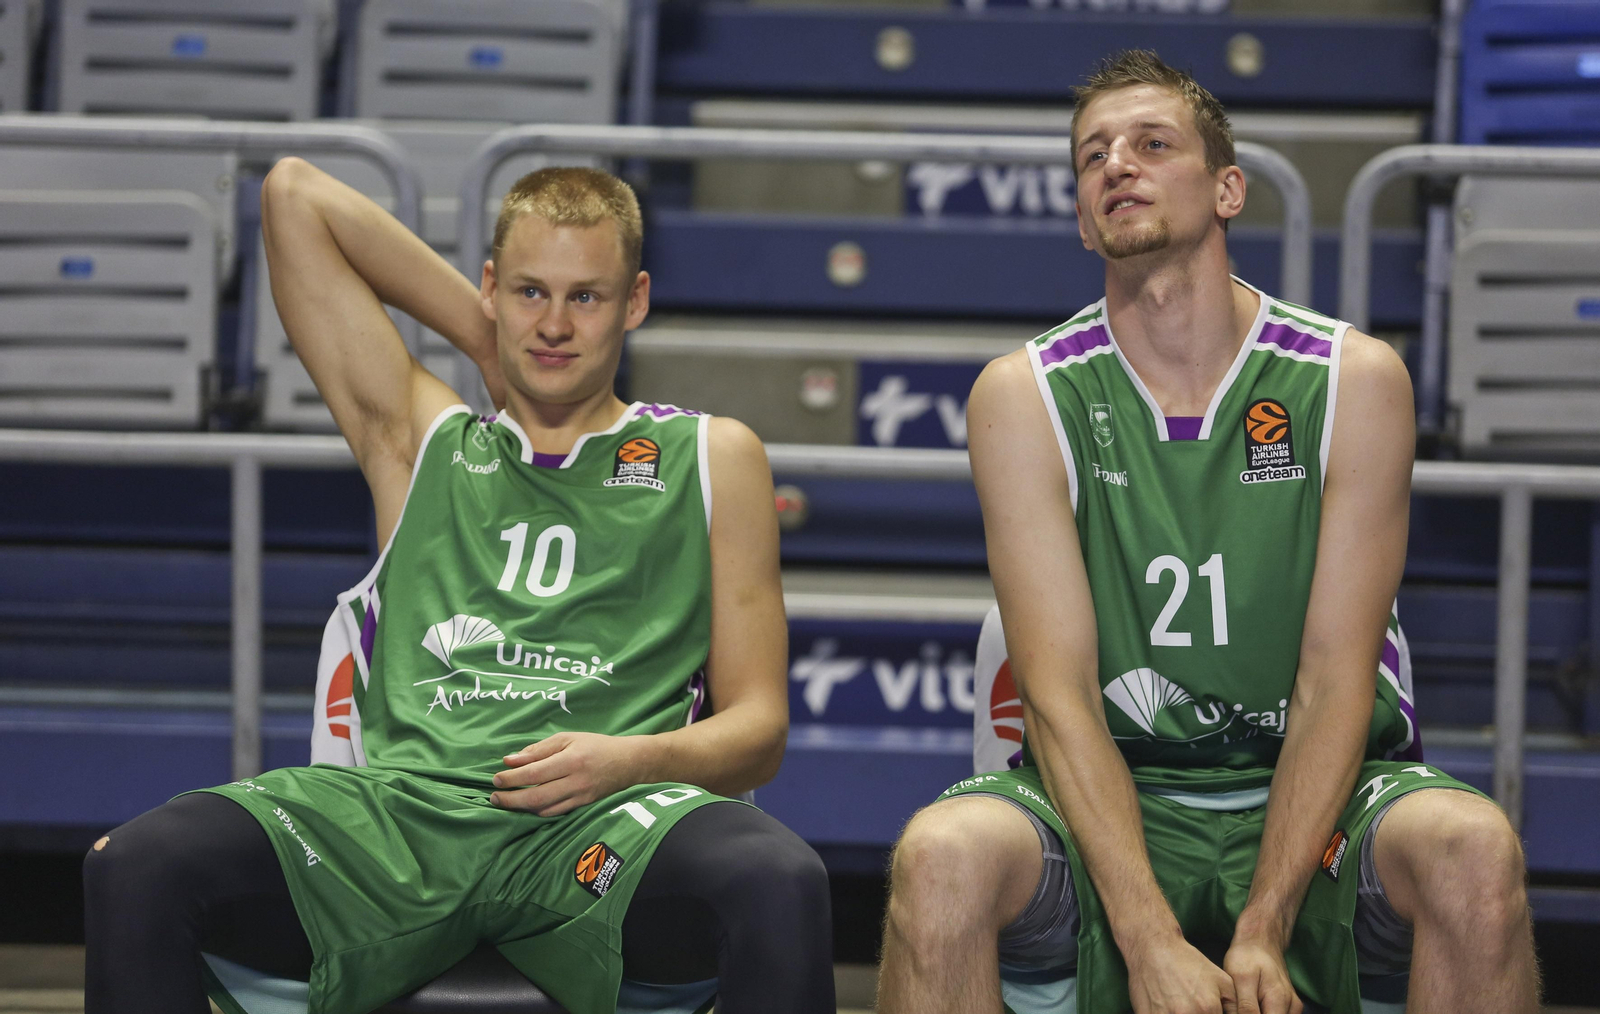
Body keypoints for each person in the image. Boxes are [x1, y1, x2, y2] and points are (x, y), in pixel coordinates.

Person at [82, 161, 835, 1014]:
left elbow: (760, 730)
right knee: (136, 866)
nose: (554, 325)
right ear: (489, 289)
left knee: (780, 880)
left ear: (635, 301)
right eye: (529, 292)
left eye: (586, 297)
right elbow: (293, 197)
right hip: (398, 826)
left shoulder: (711, 457)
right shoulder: (421, 441)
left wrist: (629, 760)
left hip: (603, 830)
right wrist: (484, 340)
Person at [876, 51, 1538, 1014]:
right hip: (1119, 790)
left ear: (1228, 189)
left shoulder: (1352, 379)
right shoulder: (1022, 395)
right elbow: (1057, 699)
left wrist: (1264, 923)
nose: (1117, 165)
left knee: (1474, 851)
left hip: (1315, 793)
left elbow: (1336, 680)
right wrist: (1149, 939)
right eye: (1093, 155)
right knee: (939, 858)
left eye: (1152, 145)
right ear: (1082, 219)